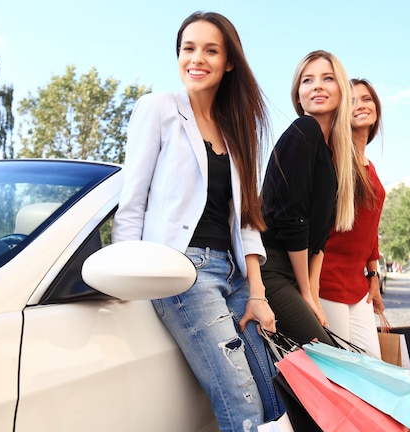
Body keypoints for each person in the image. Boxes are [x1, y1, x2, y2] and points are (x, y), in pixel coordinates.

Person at [111, 11, 282, 431]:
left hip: (235, 275)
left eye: (210, 50)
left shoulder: (237, 129)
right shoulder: (159, 109)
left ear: (229, 62)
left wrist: (257, 293)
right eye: (189, 48)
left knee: (276, 397)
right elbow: (131, 202)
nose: (196, 58)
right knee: (243, 409)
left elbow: (246, 222)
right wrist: (123, 280)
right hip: (182, 273)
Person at [260, 50, 355, 346]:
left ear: (341, 90)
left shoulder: (331, 155)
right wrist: (305, 292)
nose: (317, 86)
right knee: (329, 361)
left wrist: (312, 293)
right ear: (298, 96)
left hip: (292, 275)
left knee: (329, 362)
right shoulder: (305, 130)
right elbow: (292, 219)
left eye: (327, 78)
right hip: (272, 269)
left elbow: (320, 239)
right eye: (307, 80)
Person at [318, 78, 386, 358]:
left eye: (367, 99)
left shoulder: (369, 165)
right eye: (353, 100)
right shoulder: (333, 159)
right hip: (327, 280)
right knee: (343, 374)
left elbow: (370, 230)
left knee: (373, 365)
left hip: (358, 285)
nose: (361, 105)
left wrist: (373, 275)